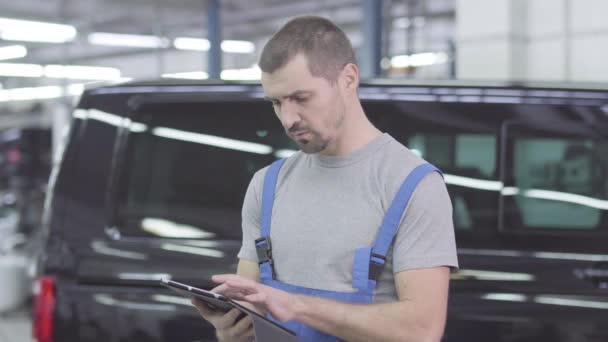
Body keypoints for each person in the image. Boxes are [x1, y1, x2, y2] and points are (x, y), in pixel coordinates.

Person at [193, 15, 458, 342]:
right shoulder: (268, 185)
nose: (288, 119)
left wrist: (298, 307)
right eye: (276, 102)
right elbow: (252, 309)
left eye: (301, 98)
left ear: (348, 79)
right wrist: (231, 330)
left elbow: (422, 330)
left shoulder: (413, 185)